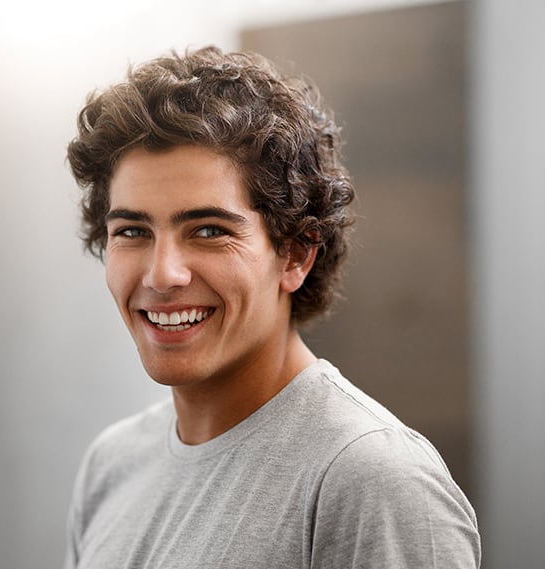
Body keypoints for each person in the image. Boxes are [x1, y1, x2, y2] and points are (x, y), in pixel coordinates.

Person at [64, 46, 481, 568]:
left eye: (209, 230)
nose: (161, 274)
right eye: (132, 231)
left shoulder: (371, 479)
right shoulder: (113, 463)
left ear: (296, 253)